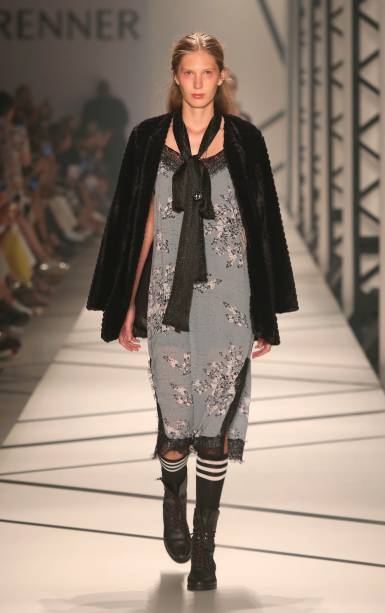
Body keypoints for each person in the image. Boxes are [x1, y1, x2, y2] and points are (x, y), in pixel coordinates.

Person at [86, 32, 299, 592]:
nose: (199, 83)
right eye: (189, 73)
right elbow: (142, 224)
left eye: (208, 72)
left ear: (221, 76)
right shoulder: (147, 138)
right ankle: (172, 498)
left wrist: (264, 312)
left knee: (215, 429)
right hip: (166, 298)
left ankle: (205, 551)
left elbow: (259, 228)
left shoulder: (246, 140)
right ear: (176, 77)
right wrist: (126, 304)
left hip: (230, 297)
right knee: (176, 424)